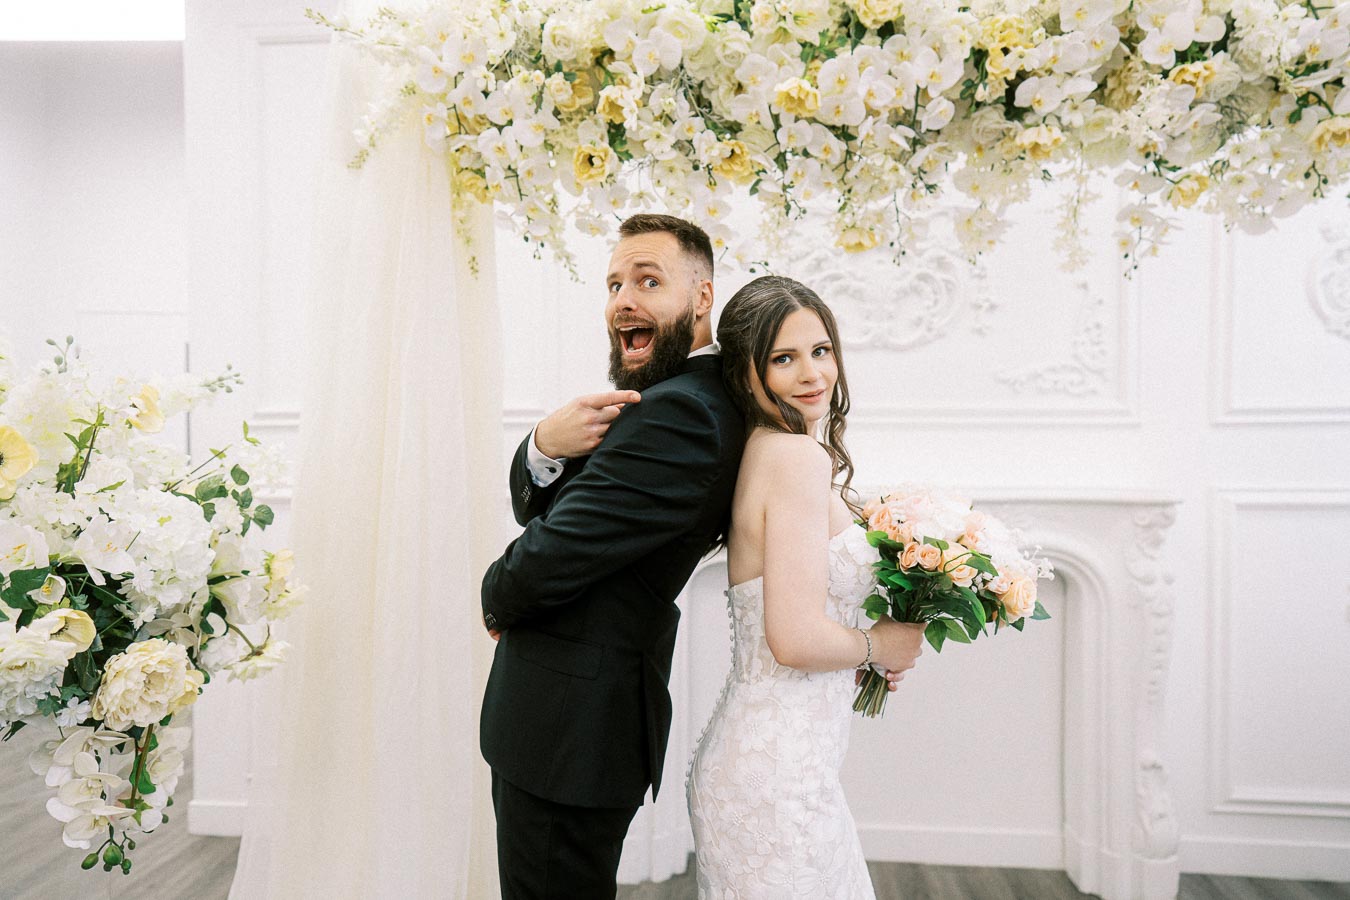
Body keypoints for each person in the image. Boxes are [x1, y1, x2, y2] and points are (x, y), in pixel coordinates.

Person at [480, 214, 744, 899]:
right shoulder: (669, 401)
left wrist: (495, 593)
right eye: (614, 283)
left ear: (702, 297)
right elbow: (549, 512)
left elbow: (548, 556)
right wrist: (544, 442)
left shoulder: (680, 413)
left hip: (568, 729)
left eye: (648, 280)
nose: (622, 299)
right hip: (574, 724)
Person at [687, 275, 927, 898]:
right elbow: (792, 638)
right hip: (777, 779)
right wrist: (880, 648)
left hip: (776, 763)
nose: (812, 373)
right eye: (783, 358)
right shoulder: (796, 458)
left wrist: (858, 648)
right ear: (747, 373)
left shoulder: (768, 449)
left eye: (821, 351)